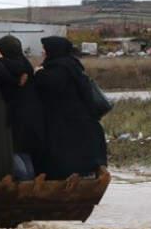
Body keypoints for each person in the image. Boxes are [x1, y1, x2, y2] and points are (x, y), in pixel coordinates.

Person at [34, 36, 107, 179]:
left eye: (45, 50)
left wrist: (38, 73)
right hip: (82, 121)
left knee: (66, 157)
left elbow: (49, 85)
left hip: (67, 123)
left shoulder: (58, 69)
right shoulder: (72, 65)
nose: (43, 53)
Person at [0, 35, 46, 181]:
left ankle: (25, 181)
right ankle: (30, 181)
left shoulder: (15, 66)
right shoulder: (24, 64)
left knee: (14, 150)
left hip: (17, 114)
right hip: (29, 114)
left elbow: (10, 72)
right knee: (23, 151)